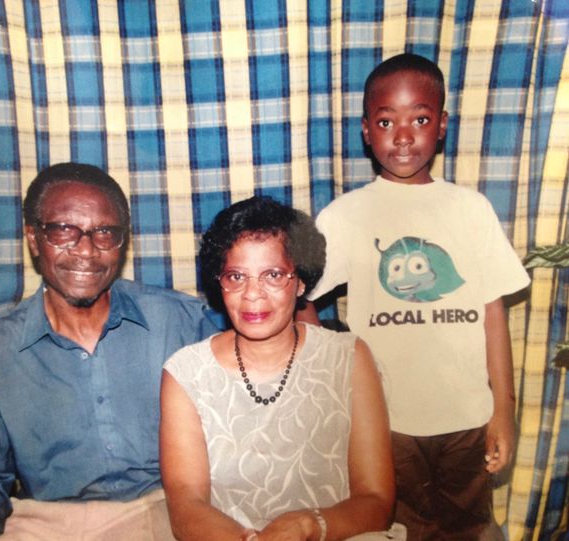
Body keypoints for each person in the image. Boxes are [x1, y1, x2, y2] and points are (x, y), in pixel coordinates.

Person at [298, 54, 531, 539]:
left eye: (420, 119)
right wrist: (333, 369)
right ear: (366, 130)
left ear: (441, 125)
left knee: (469, 527)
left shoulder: (470, 209)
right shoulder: (346, 215)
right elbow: (301, 296)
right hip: (387, 423)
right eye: (386, 122)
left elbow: (493, 313)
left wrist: (503, 411)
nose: (403, 137)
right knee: (398, 528)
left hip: (466, 417)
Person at [0, 163, 218, 541]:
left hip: (169, 510)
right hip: (52, 523)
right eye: (63, 230)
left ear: (122, 241)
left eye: (104, 232)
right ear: (34, 239)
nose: (86, 250)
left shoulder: (181, 322)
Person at [160, 196, 405, 541]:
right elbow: (186, 506)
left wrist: (310, 526)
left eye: (273, 275)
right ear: (220, 282)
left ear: (301, 281)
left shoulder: (349, 357)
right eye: (236, 276)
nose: (252, 295)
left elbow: (377, 501)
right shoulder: (187, 373)